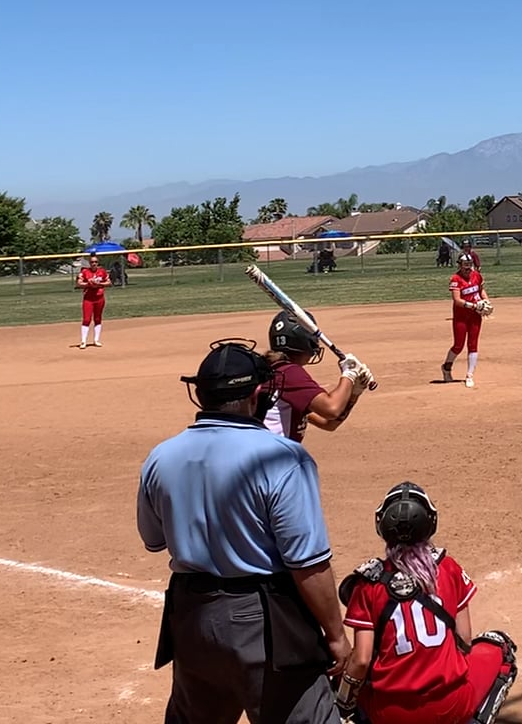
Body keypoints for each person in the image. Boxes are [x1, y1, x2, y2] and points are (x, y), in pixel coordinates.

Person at [137, 339, 348, 724]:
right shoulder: (283, 457)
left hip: (191, 618)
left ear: (201, 394)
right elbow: (307, 563)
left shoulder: (160, 457)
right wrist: (335, 635)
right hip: (263, 620)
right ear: (257, 394)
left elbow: (154, 539)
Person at [334, 483, 518, 724]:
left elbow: (361, 660)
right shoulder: (448, 568)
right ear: (430, 523)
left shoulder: (367, 583)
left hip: (390, 714)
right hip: (449, 707)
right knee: (500, 646)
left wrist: (343, 706)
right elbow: (464, 641)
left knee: (343, 674)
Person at [261, 310, 373, 443]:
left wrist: (354, 392)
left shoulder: (273, 370)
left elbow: (328, 423)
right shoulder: (289, 373)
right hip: (273, 452)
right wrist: (349, 374)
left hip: (264, 451)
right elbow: (332, 409)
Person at [442, 252, 487, 389]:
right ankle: (447, 367)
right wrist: (473, 305)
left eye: (469, 265)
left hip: (475, 316)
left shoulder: (477, 276)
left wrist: (486, 301)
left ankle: (469, 375)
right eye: (465, 265)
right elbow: (457, 300)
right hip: (461, 317)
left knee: (473, 344)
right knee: (458, 345)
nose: (468, 268)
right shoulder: (456, 279)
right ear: (460, 265)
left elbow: (481, 291)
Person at [77, 255, 111, 348]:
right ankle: (83, 341)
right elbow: (79, 283)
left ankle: (96, 340)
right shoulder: (85, 272)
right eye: (92, 262)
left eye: (95, 262)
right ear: (89, 263)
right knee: (86, 319)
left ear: (98, 263)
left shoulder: (102, 271)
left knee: (97, 318)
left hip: (99, 298)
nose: (94, 264)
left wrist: (99, 284)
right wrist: (89, 284)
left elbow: (109, 282)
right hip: (88, 299)